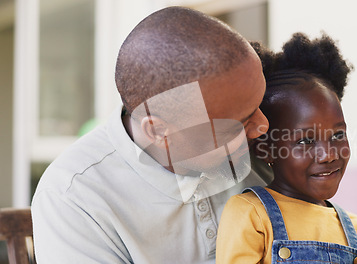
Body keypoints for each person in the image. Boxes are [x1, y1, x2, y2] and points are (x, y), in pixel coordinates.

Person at [31, 6, 273, 263]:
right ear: (159, 131)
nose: (264, 125)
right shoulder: (74, 198)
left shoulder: (259, 149)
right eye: (238, 123)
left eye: (260, 104)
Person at [215, 33, 357, 264]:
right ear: (265, 149)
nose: (329, 154)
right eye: (306, 141)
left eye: (338, 135)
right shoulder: (251, 214)